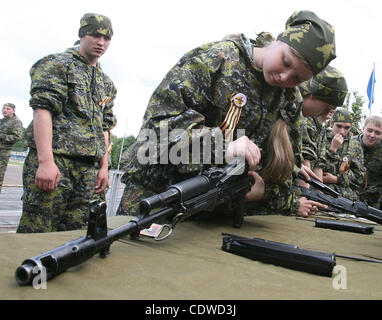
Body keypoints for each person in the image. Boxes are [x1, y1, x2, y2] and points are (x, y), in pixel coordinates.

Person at [118, 10, 336, 218]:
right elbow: (155, 135)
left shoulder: (290, 100)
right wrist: (223, 147)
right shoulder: (215, 60)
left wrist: (264, 192)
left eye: (297, 78)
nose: (284, 77)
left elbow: (284, 172)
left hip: (211, 219)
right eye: (286, 62)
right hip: (155, 201)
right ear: (279, 40)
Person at [17, 13, 117, 233]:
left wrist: (104, 166)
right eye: (95, 35)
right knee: (38, 233)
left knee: (77, 237)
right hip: (57, 163)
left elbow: (104, 126)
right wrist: (45, 162)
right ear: (82, 35)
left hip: (89, 170)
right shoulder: (57, 65)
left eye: (107, 38)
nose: (101, 42)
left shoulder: (106, 83)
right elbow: (43, 110)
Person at [299, 65, 348, 180]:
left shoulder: (320, 128)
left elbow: (318, 165)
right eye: (327, 107)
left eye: (347, 128)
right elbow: (306, 159)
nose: (328, 112)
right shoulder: (307, 120)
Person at [315, 108, 364, 201]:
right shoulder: (321, 137)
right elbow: (316, 167)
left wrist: (337, 179)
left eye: (347, 128)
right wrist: (333, 150)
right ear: (331, 123)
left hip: (344, 196)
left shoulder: (355, 145)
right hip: (320, 192)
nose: (342, 131)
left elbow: (359, 178)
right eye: (339, 126)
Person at [358, 115, 382, 209]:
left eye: (377, 132)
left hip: (374, 204)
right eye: (369, 130)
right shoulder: (349, 144)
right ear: (363, 129)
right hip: (348, 197)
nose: (372, 135)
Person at [0, 103, 23, 192]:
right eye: (3, 108)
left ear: (13, 111)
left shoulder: (16, 122)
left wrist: (2, 136)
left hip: (3, 153)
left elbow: (17, 137)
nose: (5, 110)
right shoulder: (2, 121)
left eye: (8, 109)